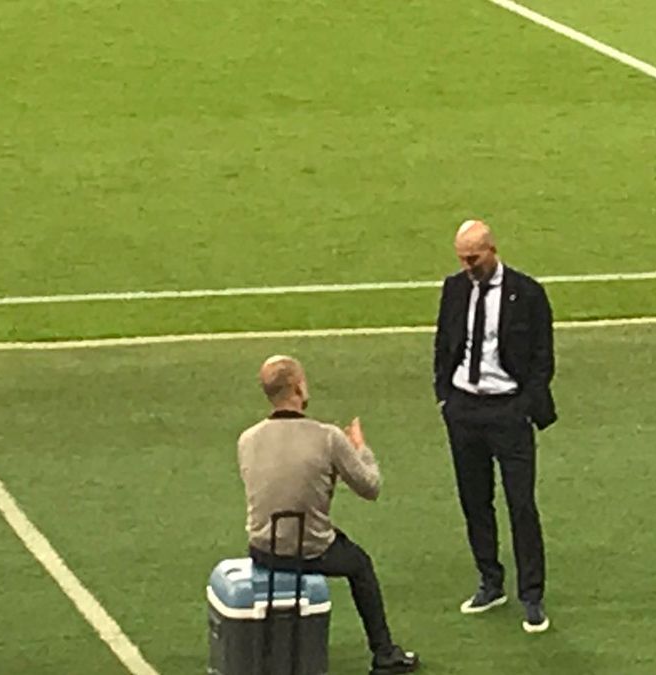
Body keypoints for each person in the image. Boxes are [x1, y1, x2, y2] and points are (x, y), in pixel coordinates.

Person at [237, 355, 419, 674]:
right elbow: (370, 487)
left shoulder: (247, 439)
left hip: (263, 548)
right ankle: (384, 652)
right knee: (360, 566)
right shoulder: (327, 437)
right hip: (310, 549)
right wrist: (361, 448)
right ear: (297, 386)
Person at [433, 219, 558, 633]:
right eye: (462, 259)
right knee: (475, 500)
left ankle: (532, 595)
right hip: (464, 408)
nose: (468, 266)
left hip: (508, 410)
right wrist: (445, 397)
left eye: (474, 258)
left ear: (492, 249)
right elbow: (443, 343)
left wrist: (525, 405)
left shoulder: (528, 293)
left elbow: (543, 357)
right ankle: (490, 580)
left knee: (521, 503)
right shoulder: (454, 289)